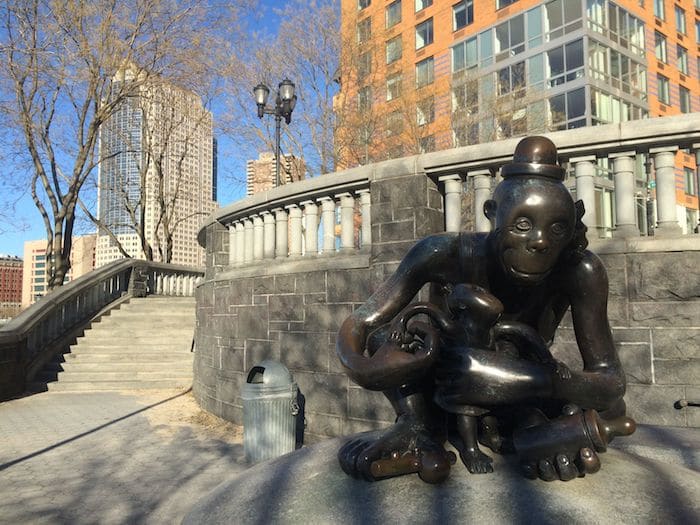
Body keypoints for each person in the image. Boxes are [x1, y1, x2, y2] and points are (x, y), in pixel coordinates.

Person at [336, 136, 628, 483]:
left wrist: (525, 380)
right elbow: (363, 323)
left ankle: (527, 427)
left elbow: (610, 383)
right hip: (443, 384)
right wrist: (365, 369)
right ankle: (418, 426)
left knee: (602, 412)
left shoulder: (581, 270)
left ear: (572, 225)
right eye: (522, 224)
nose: (540, 241)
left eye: (557, 228)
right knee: (389, 338)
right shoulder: (442, 252)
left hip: (522, 390)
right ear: (492, 214)